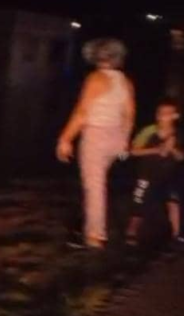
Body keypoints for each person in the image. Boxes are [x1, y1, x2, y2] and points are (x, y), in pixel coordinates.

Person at [57, 38, 136, 249]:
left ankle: (95, 235)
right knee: (97, 185)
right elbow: (129, 114)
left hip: (96, 136)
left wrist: (65, 138)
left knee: (94, 187)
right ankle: (91, 228)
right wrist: (124, 141)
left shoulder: (96, 78)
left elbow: (82, 112)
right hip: (116, 137)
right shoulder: (125, 81)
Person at [124, 98, 184, 246]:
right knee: (139, 202)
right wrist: (156, 150)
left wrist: (171, 149)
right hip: (146, 173)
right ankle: (131, 232)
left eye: (167, 113)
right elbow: (132, 152)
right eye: (160, 113)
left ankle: (176, 234)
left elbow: (182, 157)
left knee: (173, 201)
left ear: (175, 116)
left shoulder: (178, 134)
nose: (162, 116)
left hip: (168, 174)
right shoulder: (148, 131)